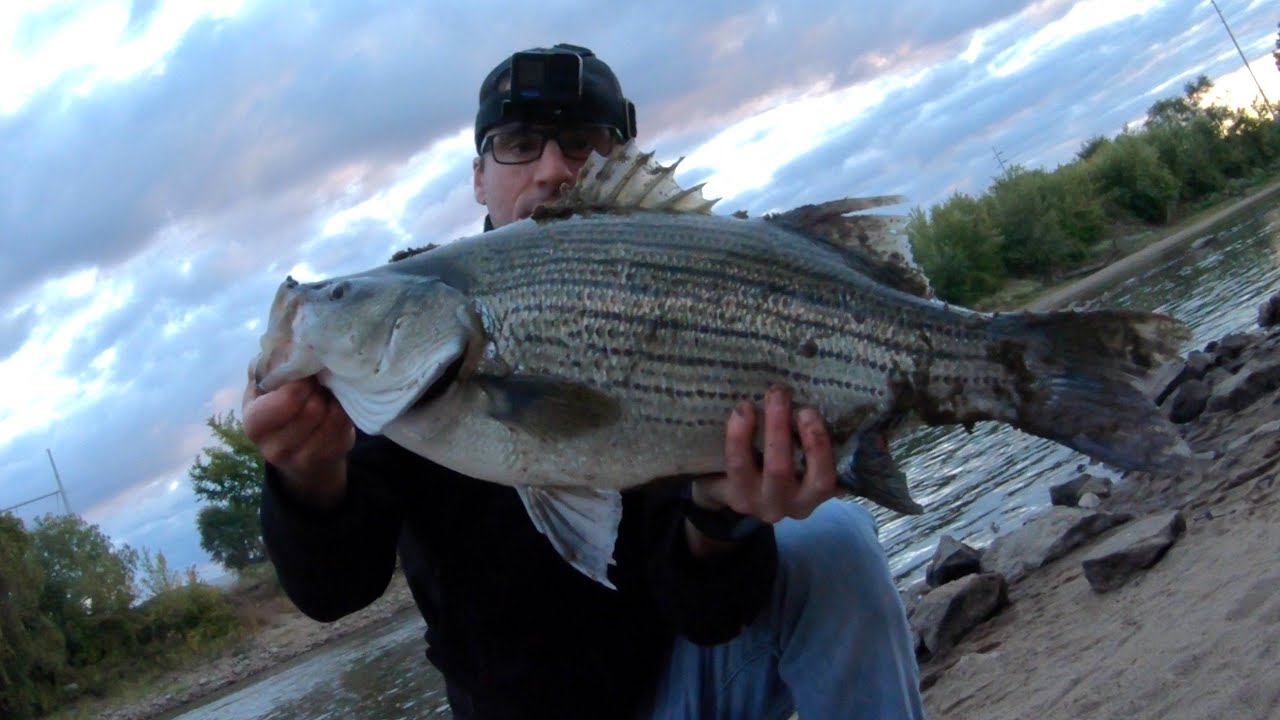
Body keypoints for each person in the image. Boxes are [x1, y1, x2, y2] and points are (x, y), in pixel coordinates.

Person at [245, 43, 924, 720]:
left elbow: (708, 612)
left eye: (583, 142)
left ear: (623, 163)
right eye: (517, 142)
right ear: (478, 176)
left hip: (687, 692)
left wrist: (724, 521)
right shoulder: (403, 327)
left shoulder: (668, 290)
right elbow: (334, 591)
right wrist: (307, 479)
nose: (551, 169)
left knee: (833, 541)